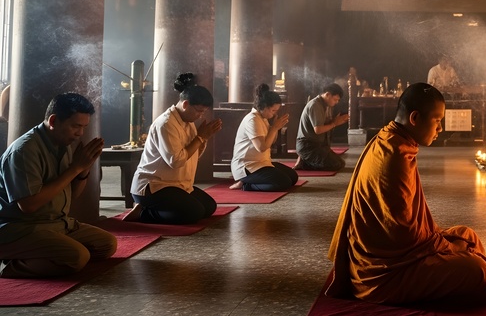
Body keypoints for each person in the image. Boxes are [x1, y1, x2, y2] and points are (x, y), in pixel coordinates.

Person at [326, 83, 486, 305]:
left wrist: (449, 243)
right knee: (476, 271)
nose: (440, 129)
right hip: (384, 273)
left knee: (466, 234)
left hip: (402, 253)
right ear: (415, 118)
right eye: (437, 120)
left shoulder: (391, 138)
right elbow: (404, 235)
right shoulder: (394, 156)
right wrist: (449, 248)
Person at [0, 93, 116, 278]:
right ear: (53, 121)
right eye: (75, 126)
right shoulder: (24, 150)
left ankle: (41, 256)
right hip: (20, 228)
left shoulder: (62, 144)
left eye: (84, 127)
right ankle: (12, 267)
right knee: (77, 257)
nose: (80, 133)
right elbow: (28, 206)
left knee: (107, 244)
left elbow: (72, 194)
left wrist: (82, 170)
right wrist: (74, 168)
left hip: (55, 223)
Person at [127, 73, 222, 224]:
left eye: (203, 112)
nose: (200, 115)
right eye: (198, 111)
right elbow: (176, 161)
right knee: (194, 212)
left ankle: (152, 209)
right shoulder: (166, 124)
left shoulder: (188, 121)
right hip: (154, 186)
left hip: (178, 185)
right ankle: (144, 211)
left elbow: (192, 156)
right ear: (185, 104)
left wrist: (203, 138)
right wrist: (200, 137)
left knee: (209, 207)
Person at [229, 84, 297, 191]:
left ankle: (250, 181)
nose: (274, 114)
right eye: (273, 111)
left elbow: (271, 141)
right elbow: (261, 147)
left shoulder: (263, 118)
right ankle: (247, 184)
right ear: (265, 107)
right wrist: (274, 128)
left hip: (262, 163)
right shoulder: (252, 120)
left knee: (293, 177)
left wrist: (274, 127)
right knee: (284, 183)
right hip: (248, 166)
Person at [295, 84, 348, 171]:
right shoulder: (315, 105)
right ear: (327, 95)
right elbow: (318, 130)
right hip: (308, 146)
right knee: (335, 165)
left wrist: (336, 121)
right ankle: (305, 161)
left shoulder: (323, 104)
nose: (336, 102)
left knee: (340, 163)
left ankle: (306, 161)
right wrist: (334, 123)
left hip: (317, 145)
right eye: (335, 99)